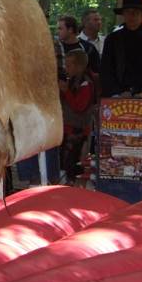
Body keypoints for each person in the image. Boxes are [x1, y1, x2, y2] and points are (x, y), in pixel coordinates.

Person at [99, 0, 142, 97]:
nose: (132, 16)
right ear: (123, 14)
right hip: (118, 95)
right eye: (128, 12)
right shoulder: (112, 39)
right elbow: (106, 69)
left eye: (136, 12)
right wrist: (116, 92)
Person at [59, 49, 95, 183]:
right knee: (65, 162)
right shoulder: (73, 80)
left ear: (79, 66)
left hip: (78, 132)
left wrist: (66, 91)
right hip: (68, 129)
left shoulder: (85, 83)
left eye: (69, 65)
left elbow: (79, 106)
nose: (66, 68)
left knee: (74, 165)